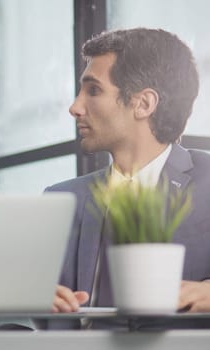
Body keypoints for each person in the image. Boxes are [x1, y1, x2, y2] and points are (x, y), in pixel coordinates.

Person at [46, 28, 210, 320]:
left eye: (93, 90)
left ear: (144, 104)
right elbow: (34, 308)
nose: (75, 107)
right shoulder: (61, 199)